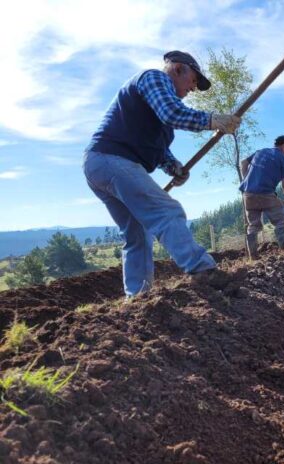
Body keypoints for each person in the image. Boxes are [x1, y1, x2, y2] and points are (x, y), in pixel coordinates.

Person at [82, 50, 241, 297]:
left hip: (100, 165)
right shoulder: (154, 78)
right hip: (112, 159)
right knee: (167, 211)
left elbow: (158, 150)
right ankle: (204, 272)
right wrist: (213, 120)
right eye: (193, 80)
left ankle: (138, 297)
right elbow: (173, 113)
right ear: (178, 69)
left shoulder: (158, 113)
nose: (193, 89)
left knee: (137, 234)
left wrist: (174, 167)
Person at [239, 135, 284, 259]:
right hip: (266, 194)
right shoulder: (282, 158)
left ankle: (253, 258)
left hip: (248, 194)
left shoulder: (260, 151)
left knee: (253, 226)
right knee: (280, 222)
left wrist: (247, 180)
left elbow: (243, 162)